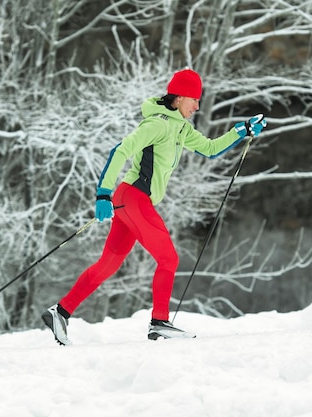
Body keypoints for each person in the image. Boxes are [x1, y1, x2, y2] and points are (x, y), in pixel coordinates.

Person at [42, 68, 266, 345]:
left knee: (108, 265)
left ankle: (60, 312)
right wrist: (103, 194)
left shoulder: (180, 128)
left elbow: (210, 149)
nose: (197, 105)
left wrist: (241, 131)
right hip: (132, 197)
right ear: (180, 97)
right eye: (194, 99)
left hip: (133, 200)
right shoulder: (158, 124)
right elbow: (120, 150)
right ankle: (159, 322)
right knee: (168, 258)